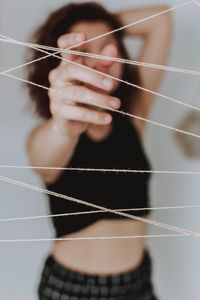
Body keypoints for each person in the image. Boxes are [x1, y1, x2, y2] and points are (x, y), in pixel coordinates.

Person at [26, 2, 172, 299]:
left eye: (109, 46)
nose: (101, 59)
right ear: (60, 62)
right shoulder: (53, 131)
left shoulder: (133, 116)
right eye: (84, 51)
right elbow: (43, 159)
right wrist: (62, 126)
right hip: (73, 289)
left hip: (139, 283)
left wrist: (103, 23)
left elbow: (161, 20)